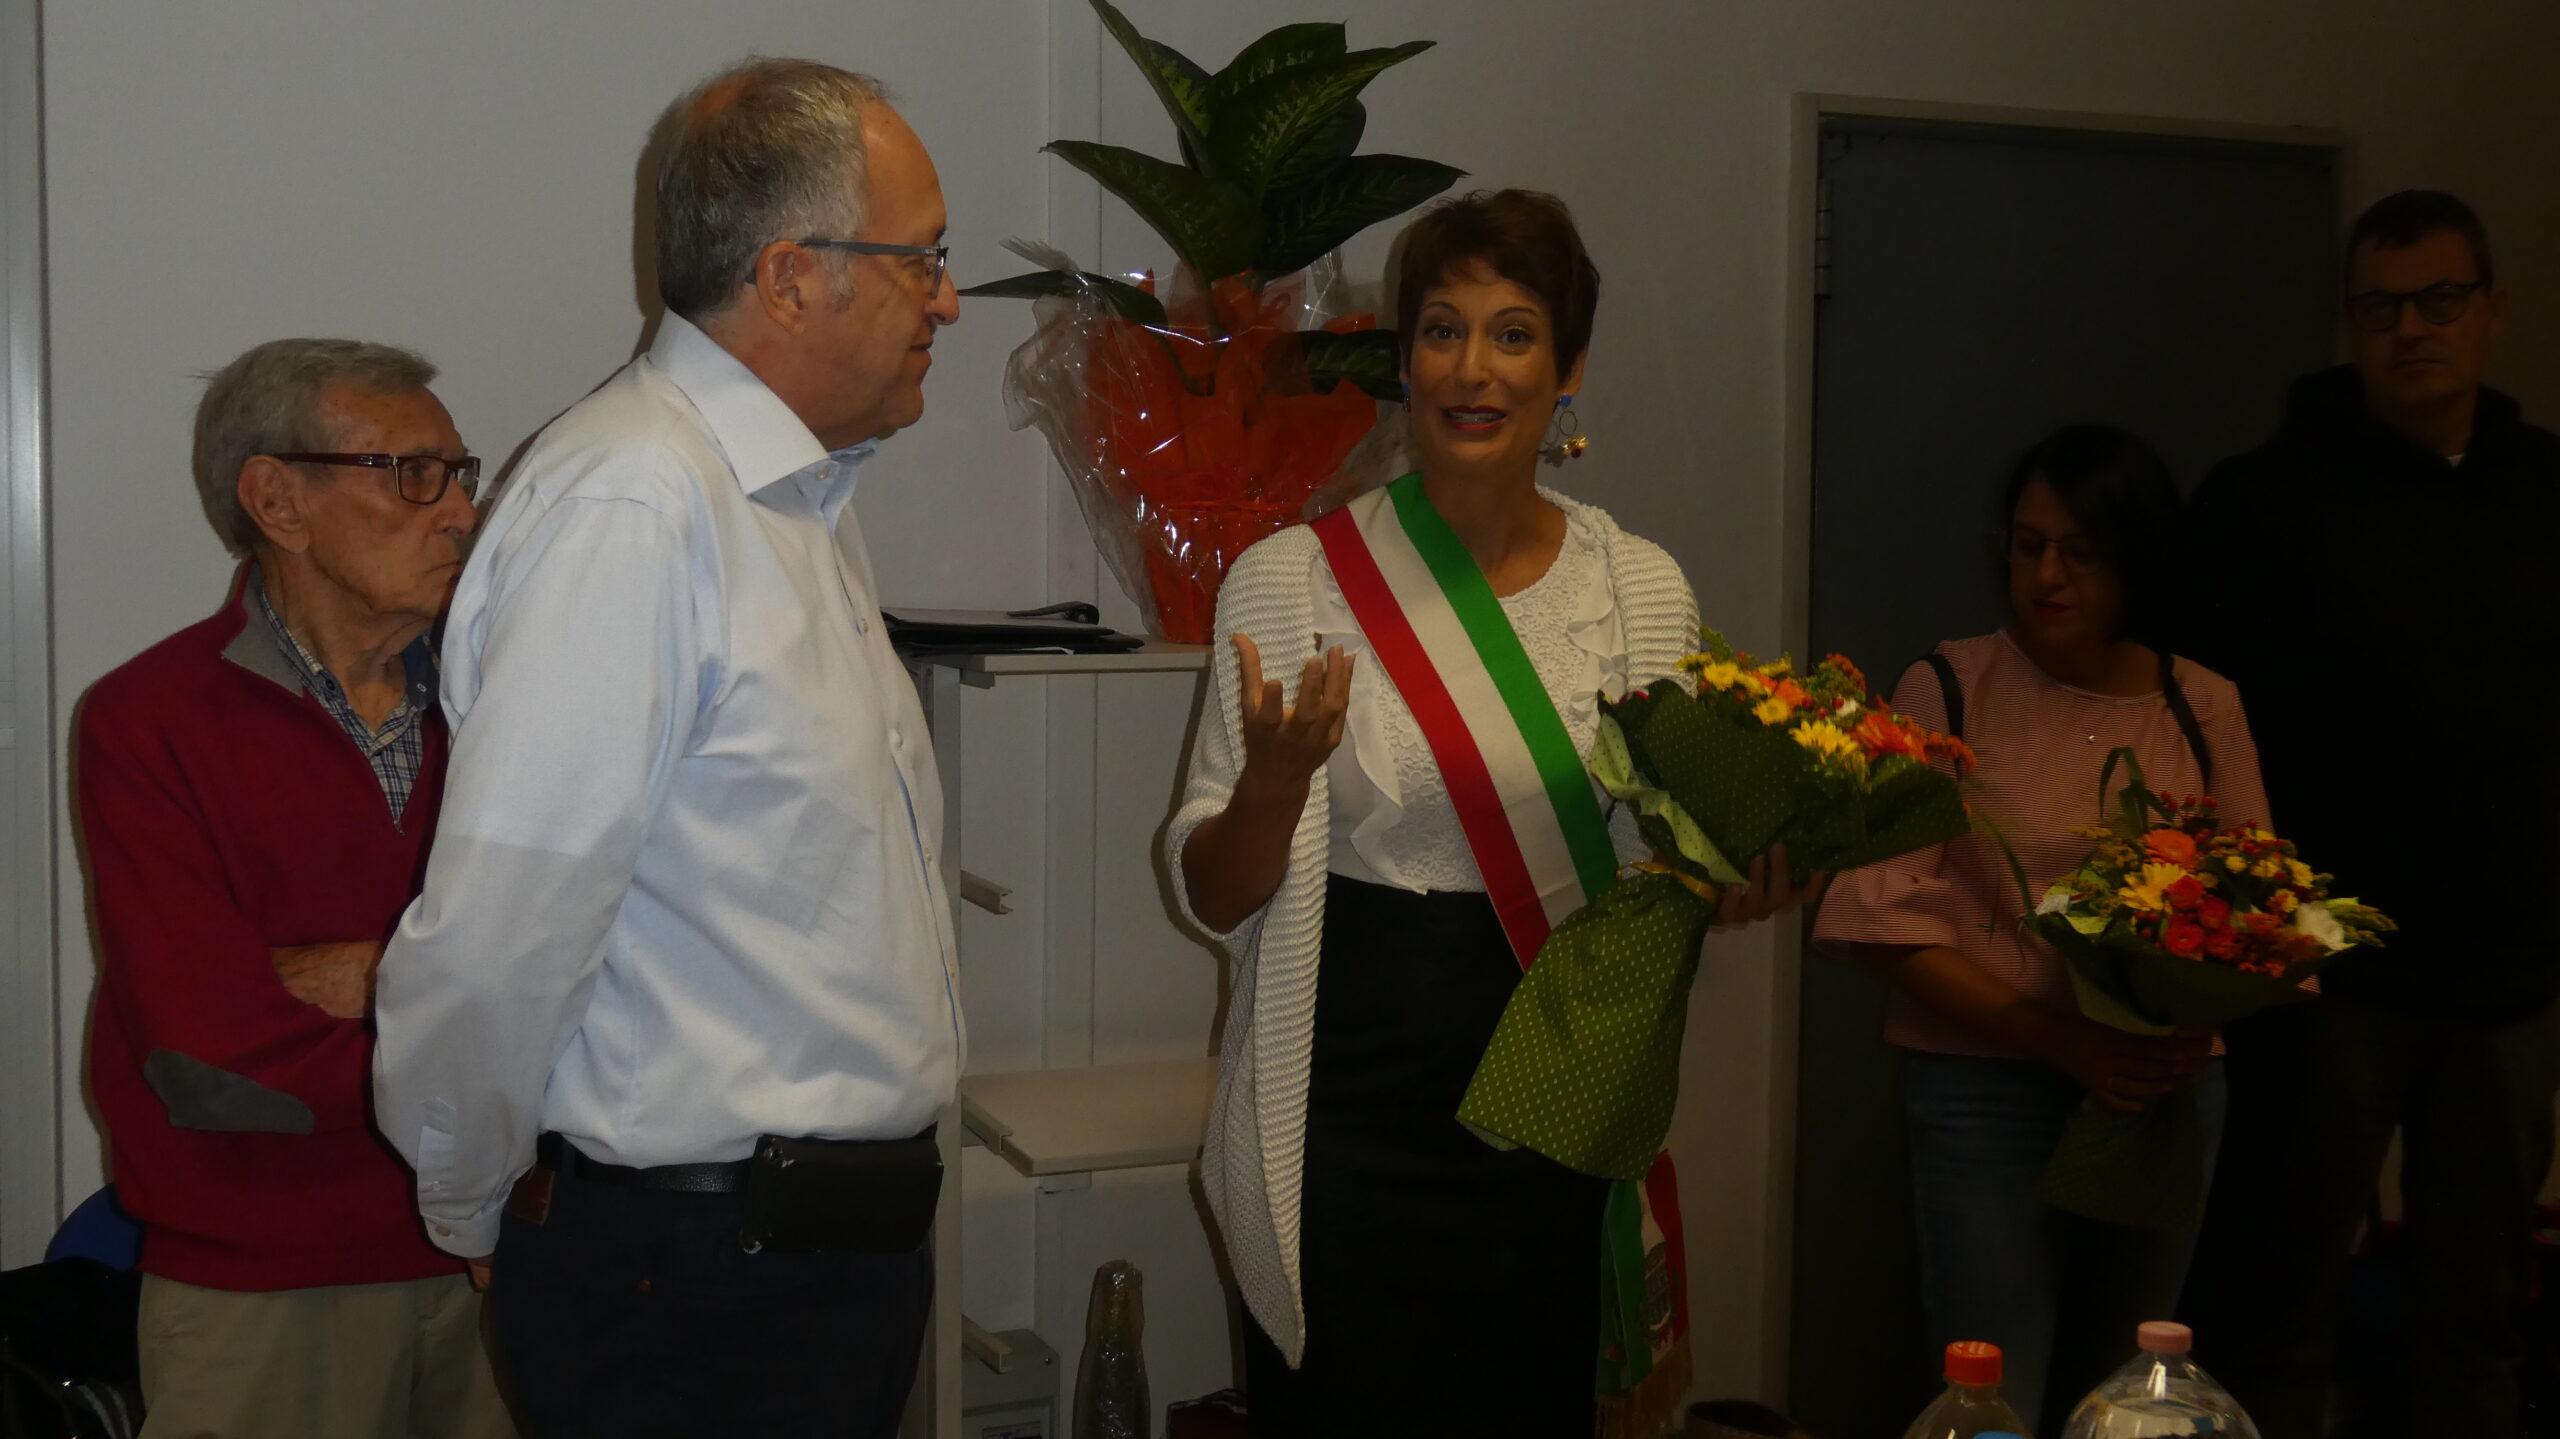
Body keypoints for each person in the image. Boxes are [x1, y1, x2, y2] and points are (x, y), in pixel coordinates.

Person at [369, 58, 962, 1438]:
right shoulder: (635, 504)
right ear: (792, 276)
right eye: (924, 257)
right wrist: (471, 1195)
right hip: (697, 1285)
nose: (946, 299)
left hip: (804, 1266)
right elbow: (502, 931)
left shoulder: (789, 499)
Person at [1168, 189, 1818, 1436]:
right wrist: (1274, 780)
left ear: (1568, 369)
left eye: (1513, 333)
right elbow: (1210, 896)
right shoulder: (1290, 580)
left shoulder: (1638, 588)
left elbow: (1661, 870)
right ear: (1404, 358)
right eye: (1441, 329)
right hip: (1341, 1111)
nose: (1472, 368)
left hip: (1551, 1101)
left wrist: (1736, 882)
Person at [2176, 190, 2560, 1439]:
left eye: (2439, 299)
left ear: (2490, 311)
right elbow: (2184, 718)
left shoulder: (2543, 489)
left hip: (2505, 973)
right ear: (2349, 323)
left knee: (2481, 1313)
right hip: (2321, 978)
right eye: (2381, 306)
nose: (2411, 329)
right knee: (2276, 1299)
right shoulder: (2262, 501)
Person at [78, 338, 507, 1437]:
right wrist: (471, 1021)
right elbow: (209, 1063)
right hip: (265, 1289)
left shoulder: (511, 702)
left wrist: (381, 973)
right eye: (413, 475)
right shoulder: (147, 720)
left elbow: (601, 965)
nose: (461, 513)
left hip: (506, 1266)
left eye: (460, 474)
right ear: (277, 499)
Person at [1813, 424, 2272, 1433]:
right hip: (1985, 1086)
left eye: (2081, 551)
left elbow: (2260, 915)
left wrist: (2181, 1019)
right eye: (2029, 546)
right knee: (1994, 1388)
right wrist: (2062, 1037)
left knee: (2136, 1394)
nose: (2048, 576)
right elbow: (1876, 917)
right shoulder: (1948, 686)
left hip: (2157, 1092)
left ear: (2136, 556)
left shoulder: (2202, 704)